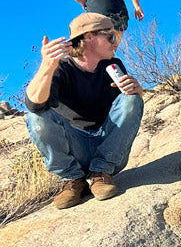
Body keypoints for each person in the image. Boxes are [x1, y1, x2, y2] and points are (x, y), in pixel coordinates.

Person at [24, 13, 145, 209]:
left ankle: (101, 174)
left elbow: (125, 109)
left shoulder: (113, 66)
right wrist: (47, 67)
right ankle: (73, 180)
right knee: (36, 117)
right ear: (89, 37)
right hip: (76, 148)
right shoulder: (61, 69)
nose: (116, 42)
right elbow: (34, 105)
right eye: (111, 36)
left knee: (132, 99)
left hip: (109, 150)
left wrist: (137, 92)